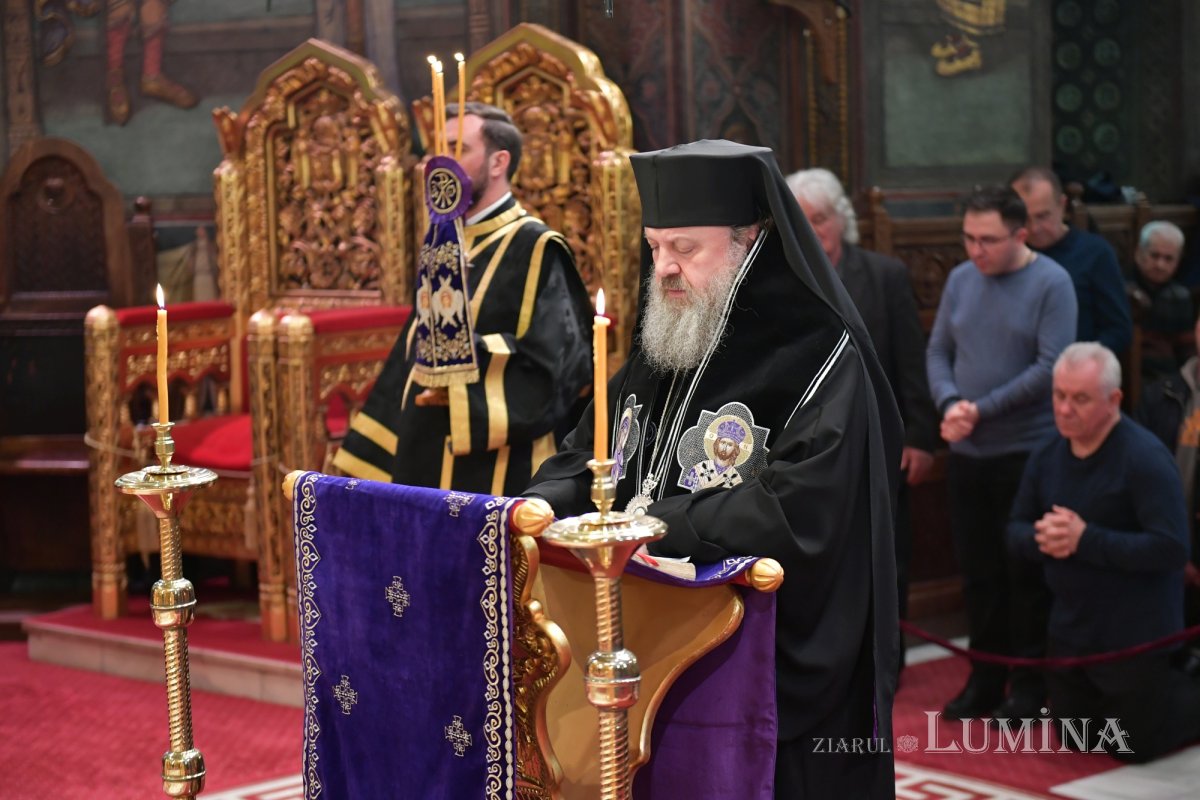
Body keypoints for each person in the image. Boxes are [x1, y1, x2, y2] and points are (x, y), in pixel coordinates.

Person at [526, 140, 903, 798]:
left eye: (685, 248)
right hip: (641, 640)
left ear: (748, 241)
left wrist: (654, 526)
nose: (665, 268)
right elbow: (591, 454)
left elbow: (799, 509)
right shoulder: (669, 336)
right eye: (655, 248)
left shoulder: (817, 357)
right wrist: (540, 505)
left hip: (756, 660)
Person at [333, 102, 593, 495]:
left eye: (459, 149)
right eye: (437, 150)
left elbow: (561, 367)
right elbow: (412, 351)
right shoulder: (443, 242)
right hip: (425, 454)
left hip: (503, 468)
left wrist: (458, 371)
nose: (441, 163)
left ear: (498, 162)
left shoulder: (538, 247)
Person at [926, 186, 1077, 721]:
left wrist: (979, 409)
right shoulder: (962, 279)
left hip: (1027, 453)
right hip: (969, 452)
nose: (976, 250)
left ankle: (1029, 685)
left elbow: (1050, 367)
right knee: (980, 574)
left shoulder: (1052, 282)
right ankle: (985, 677)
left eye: (988, 240)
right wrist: (950, 402)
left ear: (1021, 235)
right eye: (968, 238)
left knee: (1025, 575)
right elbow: (939, 350)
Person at [1008, 343, 1200, 761]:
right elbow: (1015, 531)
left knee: (1132, 747)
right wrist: (1044, 538)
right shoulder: (1047, 453)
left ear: (1114, 400)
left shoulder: (1144, 457)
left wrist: (1085, 539)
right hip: (1071, 629)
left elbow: (1171, 548)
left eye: (1080, 399)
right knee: (1076, 739)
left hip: (1134, 632)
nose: (1064, 409)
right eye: (1059, 395)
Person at [787, 167, 938, 659]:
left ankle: (887, 665)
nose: (814, 231)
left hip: (878, 446)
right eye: (802, 220)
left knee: (885, 561)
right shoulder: (784, 279)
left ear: (842, 219)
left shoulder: (884, 276)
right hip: (807, 454)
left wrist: (920, 437)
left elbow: (910, 363)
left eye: (821, 218)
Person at [1010, 166, 1132, 355]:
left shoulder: (1095, 253)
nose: (1034, 228)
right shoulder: (1008, 253)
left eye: (1043, 216)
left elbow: (1119, 331)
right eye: (1025, 219)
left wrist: (1082, 360)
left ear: (1062, 206)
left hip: (1074, 363)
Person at [1128, 221, 1192, 382]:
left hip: (1168, 379)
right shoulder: (1121, 289)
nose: (1160, 265)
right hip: (1129, 375)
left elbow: (1186, 350)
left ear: (1178, 261)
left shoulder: (1181, 296)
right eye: (1154, 256)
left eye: (1168, 259)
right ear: (1139, 253)